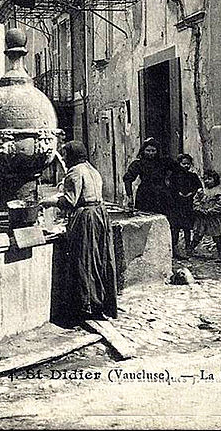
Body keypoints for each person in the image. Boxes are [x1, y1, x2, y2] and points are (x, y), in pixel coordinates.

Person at [41, 141, 117, 320]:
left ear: (73, 155)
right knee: (100, 259)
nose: (64, 159)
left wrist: (48, 201)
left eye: (65, 155)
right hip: (100, 214)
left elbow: (70, 201)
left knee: (84, 259)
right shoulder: (91, 169)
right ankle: (101, 302)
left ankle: (85, 306)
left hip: (86, 218)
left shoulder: (74, 171)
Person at [123, 137, 177, 216]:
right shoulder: (138, 164)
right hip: (145, 195)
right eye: (148, 151)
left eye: (153, 151)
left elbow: (178, 171)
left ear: (157, 151)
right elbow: (128, 179)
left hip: (162, 195)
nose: (151, 153)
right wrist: (129, 196)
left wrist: (171, 183)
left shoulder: (164, 162)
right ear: (143, 151)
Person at [168, 153, 202, 256]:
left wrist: (191, 193)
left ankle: (188, 247)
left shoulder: (193, 176)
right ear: (179, 164)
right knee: (176, 227)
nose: (186, 166)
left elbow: (198, 187)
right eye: (184, 164)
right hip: (177, 204)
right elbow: (170, 188)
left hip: (188, 204)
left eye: (188, 164)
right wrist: (178, 193)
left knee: (187, 227)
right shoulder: (174, 176)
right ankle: (174, 247)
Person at [189, 170, 221, 259]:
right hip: (202, 217)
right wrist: (200, 209)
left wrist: (211, 210)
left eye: (209, 179)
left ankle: (220, 254)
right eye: (205, 179)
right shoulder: (201, 191)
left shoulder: (218, 192)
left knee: (216, 236)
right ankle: (190, 249)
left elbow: (220, 204)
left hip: (213, 218)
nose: (207, 181)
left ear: (215, 180)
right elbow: (195, 201)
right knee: (198, 234)